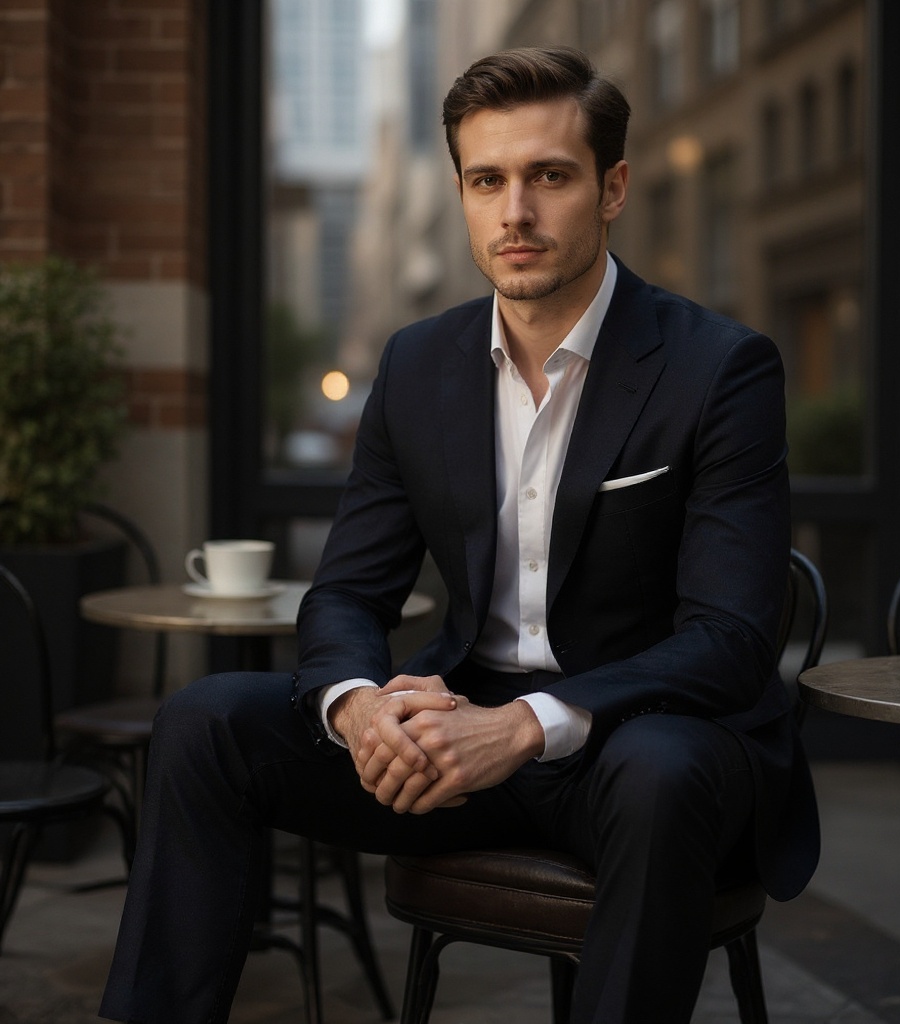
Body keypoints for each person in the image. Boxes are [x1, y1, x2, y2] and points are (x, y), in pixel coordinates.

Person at [100, 45, 818, 1024]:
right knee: (205, 721)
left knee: (662, 771)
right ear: (462, 194)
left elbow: (730, 642)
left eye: (548, 176)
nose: (514, 211)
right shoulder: (417, 364)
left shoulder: (719, 367)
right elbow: (350, 591)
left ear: (611, 188)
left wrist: (524, 726)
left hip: (636, 738)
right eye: (488, 180)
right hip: (462, 738)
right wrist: (358, 709)